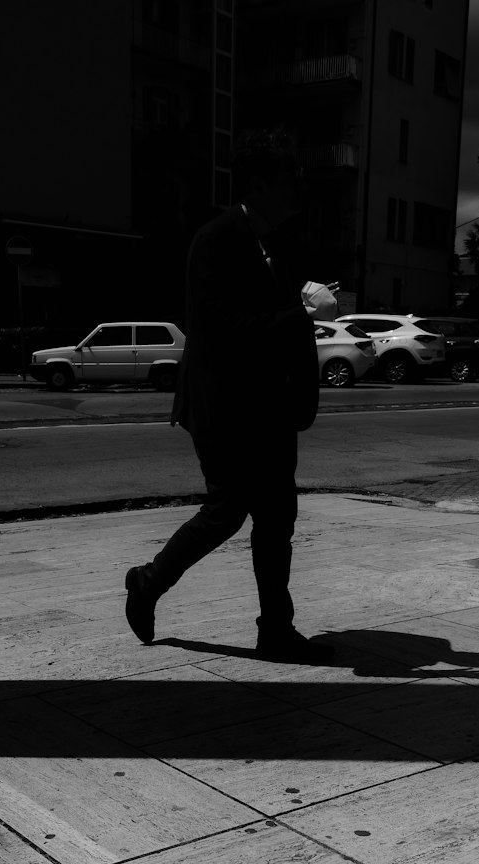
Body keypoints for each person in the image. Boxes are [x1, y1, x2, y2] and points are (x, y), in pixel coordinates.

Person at [124, 128, 333, 664]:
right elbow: (224, 327)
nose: (300, 188)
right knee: (227, 510)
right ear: (261, 184)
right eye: (291, 179)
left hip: (271, 407)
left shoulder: (279, 244)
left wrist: (301, 301)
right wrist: (302, 313)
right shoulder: (215, 240)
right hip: (224, 407)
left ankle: (276, 630)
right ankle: (147, 582)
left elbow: (276, 318)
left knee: (277, 517)